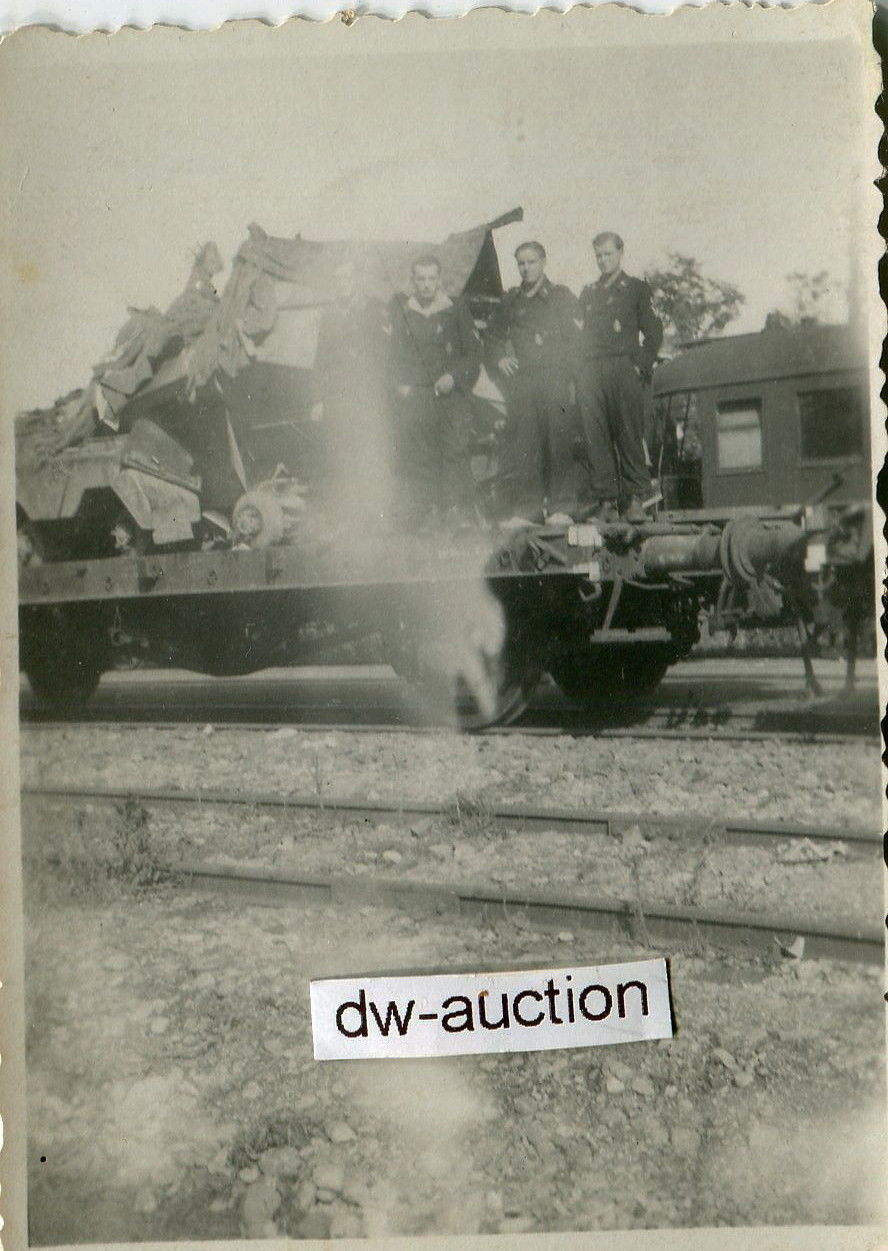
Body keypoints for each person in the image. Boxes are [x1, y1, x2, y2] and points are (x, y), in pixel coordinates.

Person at [485, 241, 582, 523]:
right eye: (521, 263)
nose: (526, 268)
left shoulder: (561, 297)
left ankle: (562, 508)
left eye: (531, 262)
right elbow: (491, 336)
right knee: (526, 445)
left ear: (543, 262)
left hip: (555, 380)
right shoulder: (512, 300)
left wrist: (569, 378)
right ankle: (529, 509)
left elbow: (576, 340)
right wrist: (500, 359)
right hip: (524, 383)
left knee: (558, 442)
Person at [576, 231, 663, 521]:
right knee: (596, 436)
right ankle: (607, 501)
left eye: (608, 254)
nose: (603, 260)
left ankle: (636, 497)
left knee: (628, 432)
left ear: (620, 253)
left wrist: (640, 365)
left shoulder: (636, 288)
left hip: (623, 367)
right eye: (598, 255)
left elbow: (654, 332)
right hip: (592, 369)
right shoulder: (588, 293)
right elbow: (579, 335)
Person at [389, 254, 482, 525]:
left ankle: (456, 513)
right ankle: (425, 514)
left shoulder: (455, 309)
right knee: (420, 455)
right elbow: (393, 355)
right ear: (413, 281)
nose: (426, 285)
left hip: (450, 396)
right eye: (421, 279)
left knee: (454, 452)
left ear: (440, 280)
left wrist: (454, 377)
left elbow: (474, 353)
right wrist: (402, 386)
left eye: (431, 278)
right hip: (417, 396)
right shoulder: (405, 311)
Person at [310, 258, 394, 521]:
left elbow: (383, 356)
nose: (341, 284)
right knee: (340, 455)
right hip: (337, 396)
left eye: (346, 278)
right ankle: (347, 516)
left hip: (365, 395)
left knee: (368, 453)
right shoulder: (330, 315)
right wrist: (318, 400)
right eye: (337, 279)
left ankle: (374, 516)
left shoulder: (372, 310)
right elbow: (321, 359)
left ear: (356, 280)